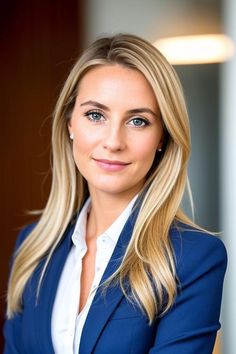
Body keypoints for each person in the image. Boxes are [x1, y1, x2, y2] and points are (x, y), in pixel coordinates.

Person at [4, 33, 227, 354]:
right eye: (96, 115)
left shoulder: (193, 258)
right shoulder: (33, 247)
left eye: (138, 121)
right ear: (70, 123)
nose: (113, 141)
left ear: (162, 136)